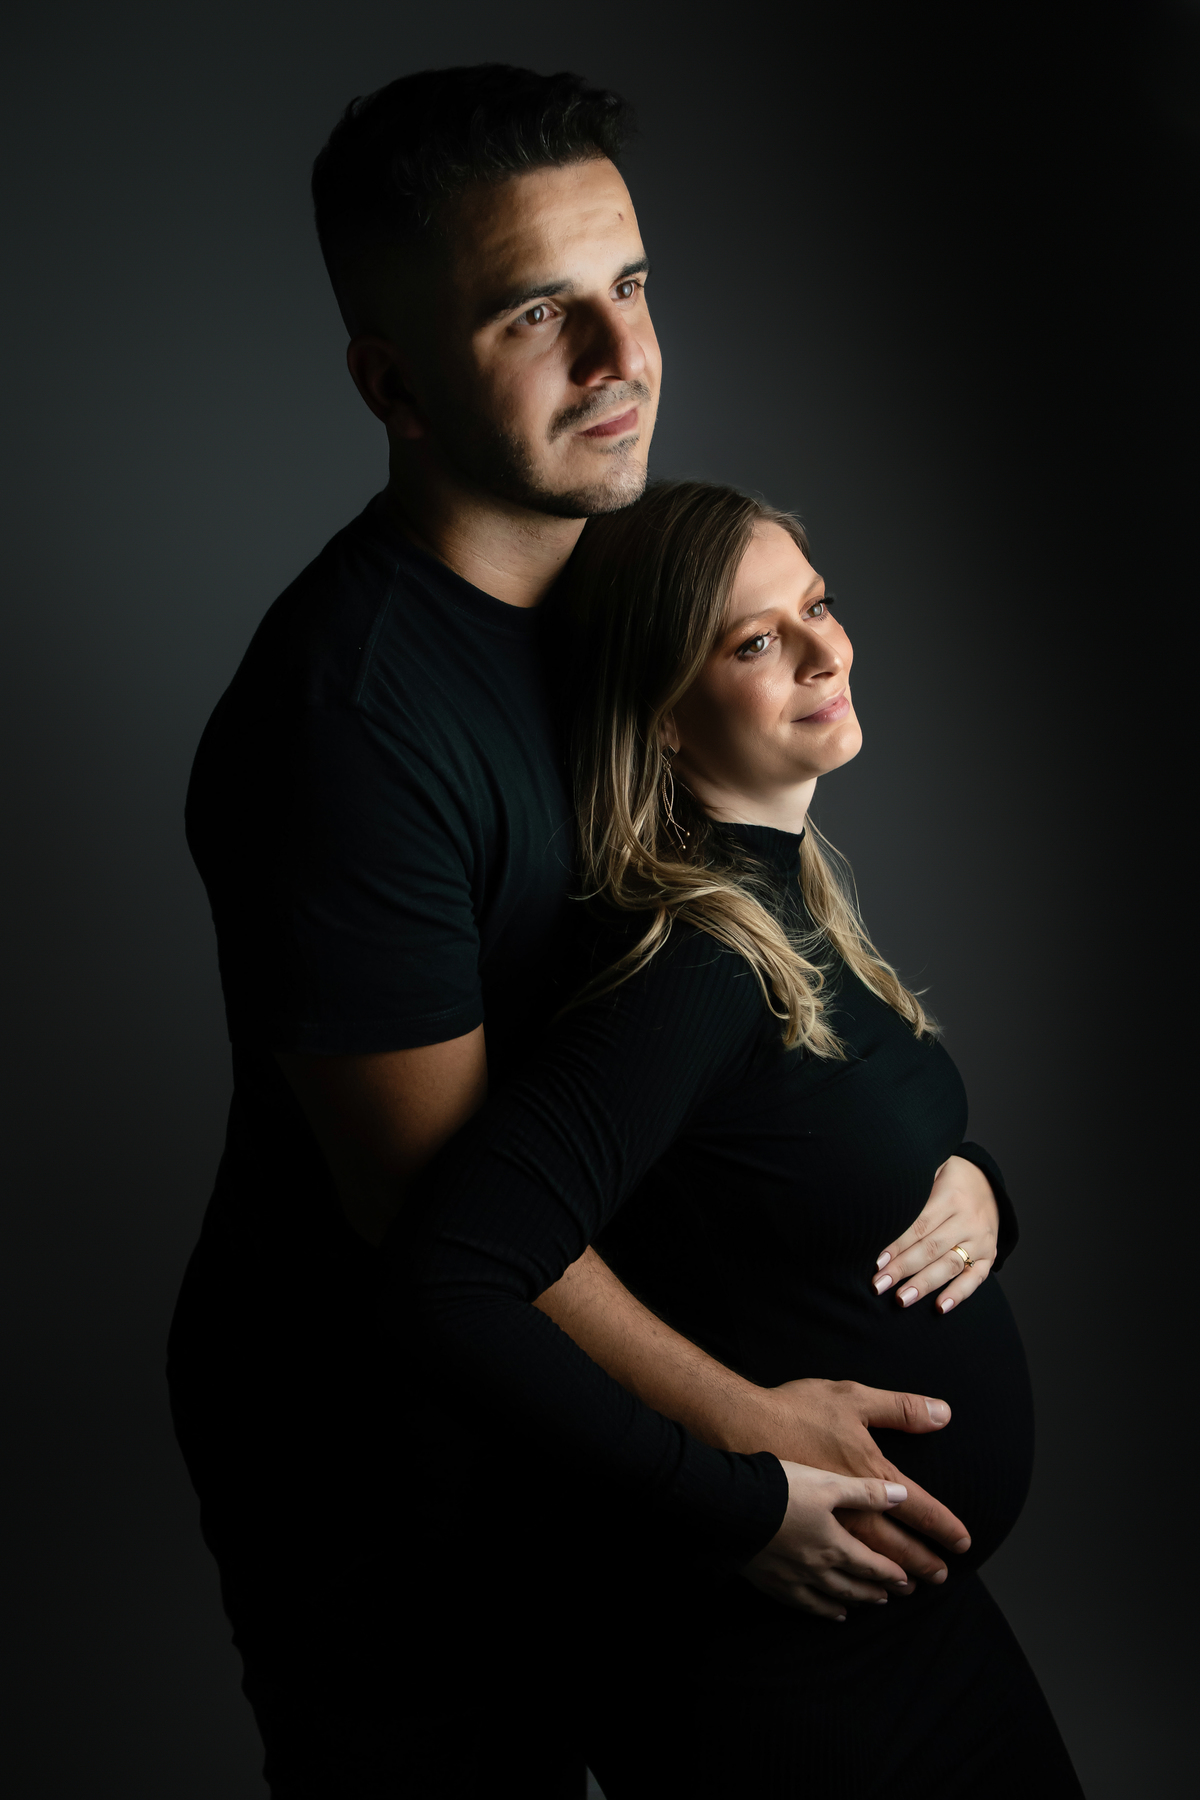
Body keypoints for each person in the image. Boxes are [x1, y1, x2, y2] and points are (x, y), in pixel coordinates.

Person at [169, 65, 1016, 1795]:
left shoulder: (631, 603)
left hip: (613, 1452)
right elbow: (436, 1217)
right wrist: (740, 1447)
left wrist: (967, 1171)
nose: (622, 357)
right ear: (393, 385)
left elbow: (762, 969)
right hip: (398, 1481)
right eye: (537, 314)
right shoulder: (352, 723)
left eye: (629, 284)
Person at [394, 480, 1084, 1796]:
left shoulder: (785, 895)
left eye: (818, 605)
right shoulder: (692, 969)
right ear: (662, 713)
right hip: (783, 1671)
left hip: (909, 1632)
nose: (827, 650)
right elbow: (454, 1268)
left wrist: (981, 1186)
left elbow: (800, 1162)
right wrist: (741, 1499)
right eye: (758, 640)